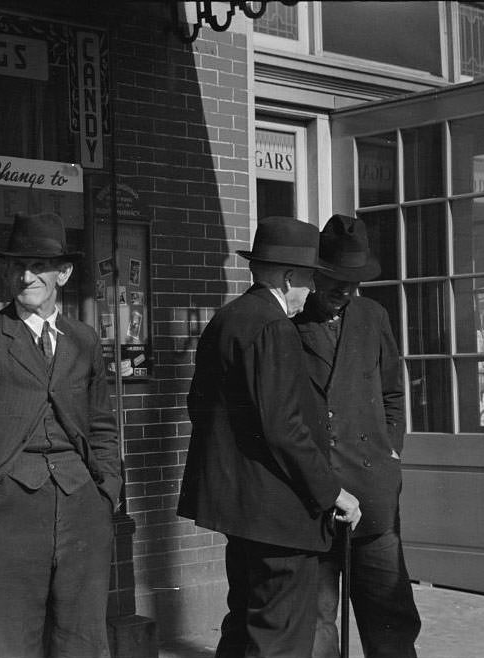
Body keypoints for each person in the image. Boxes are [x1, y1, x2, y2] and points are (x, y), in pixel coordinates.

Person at [0, 211, 122, 658]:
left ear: (64, 274)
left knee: (81, 645)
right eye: (17, 265)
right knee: (6, 646)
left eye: (38, 266)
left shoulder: (84, 339)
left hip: (82, 514)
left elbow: (102, 425)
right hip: (2, 518)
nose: (26, 275)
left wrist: (106, 491)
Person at [177, 216, 362, 658]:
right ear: (287, 277)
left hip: (240, 513)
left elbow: (198, 407)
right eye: (309, 280)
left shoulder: (227, 319)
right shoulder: (273, 327)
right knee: (278, 637)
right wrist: (334, 491)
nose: (312, 292)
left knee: (242, 626)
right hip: (279, 518)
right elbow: (284, 428)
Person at [293, 214, 421, 658]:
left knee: (390, 616)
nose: (344, 292)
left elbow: (392, 391)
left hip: (373, 491)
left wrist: (391, 450)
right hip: (320, 496)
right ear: (314, 274)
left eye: (353, 283)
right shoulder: (290, 328)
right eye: (335, 281)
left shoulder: (372, 316)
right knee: (316, 623)